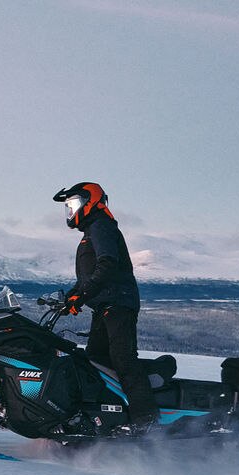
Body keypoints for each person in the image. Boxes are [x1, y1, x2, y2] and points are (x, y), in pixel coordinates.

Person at [52, 181, 158, 435]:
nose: (70, 211)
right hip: (105, 306)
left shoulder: (102, 226)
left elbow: (108, 264)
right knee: (95, 362)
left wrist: (84, 295)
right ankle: (106, 416)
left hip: (118, 303)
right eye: (68, 207)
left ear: (91, 201)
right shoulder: (90, 233)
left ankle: (147, 421)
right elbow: (86, 279)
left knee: (123, 359)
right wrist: (70, 299)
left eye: (74, 204)